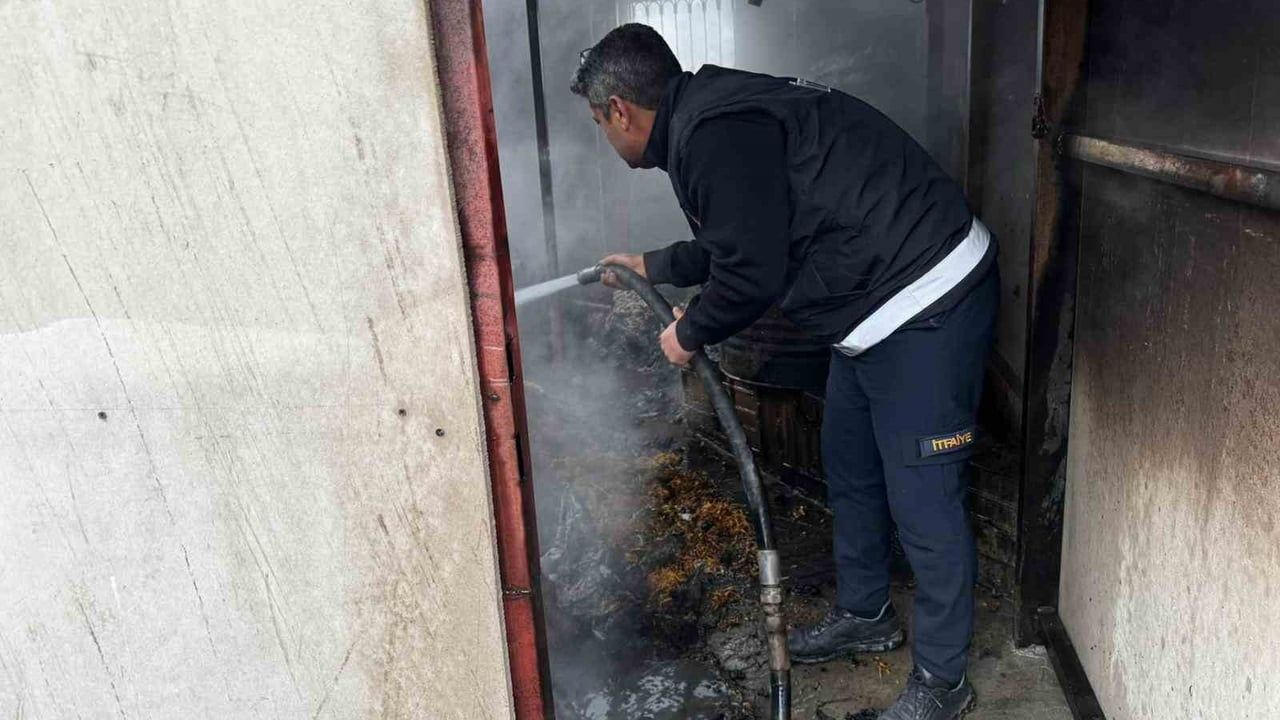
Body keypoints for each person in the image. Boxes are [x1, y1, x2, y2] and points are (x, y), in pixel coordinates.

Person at [572, 24, 998, 720]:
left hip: (926, 295)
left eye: (598, 122)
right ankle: (867, 615)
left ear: (620, 109)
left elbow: (753, 271)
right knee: (852, 467)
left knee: (925, 502)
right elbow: (740, 236)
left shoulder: (714, 133)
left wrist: (690, 332)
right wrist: (653, 266)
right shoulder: (706, 121)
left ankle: (943, 682)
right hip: (867, 307)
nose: (606, 135)